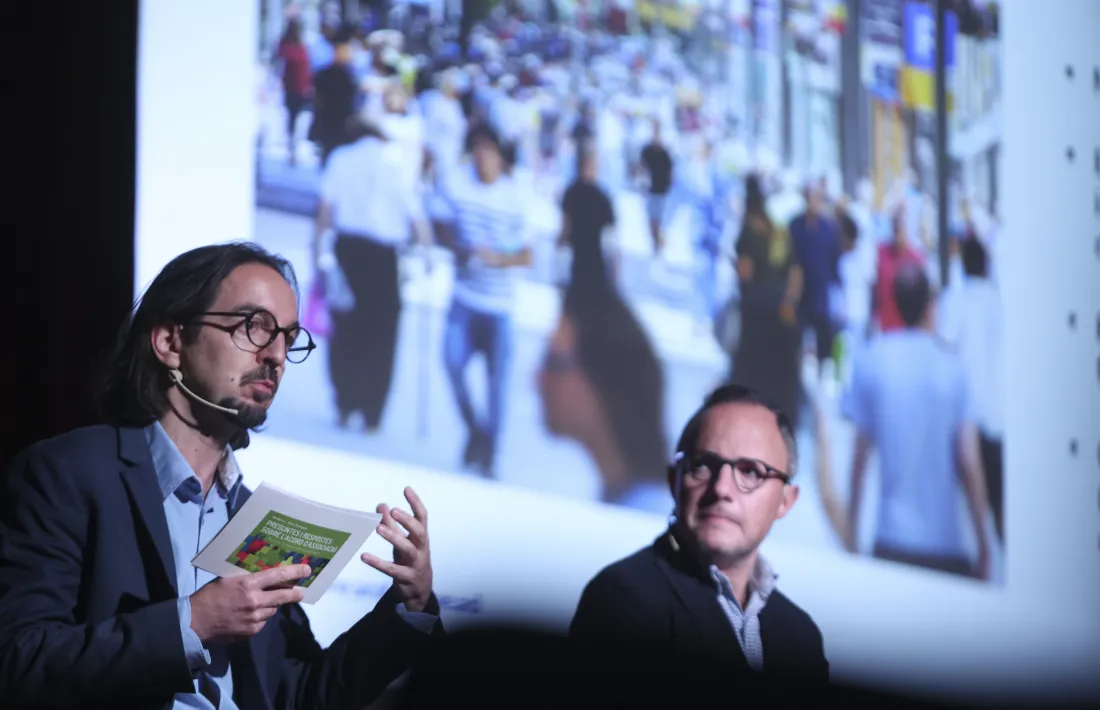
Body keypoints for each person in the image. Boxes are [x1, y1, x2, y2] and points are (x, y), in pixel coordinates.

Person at [0, 243, 443, 709]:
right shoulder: (70, 473)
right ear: (171, 343)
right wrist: (191, 623)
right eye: (254, 326)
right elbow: (17, 662)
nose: (275, 355)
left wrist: (408, 607)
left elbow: (296, 695)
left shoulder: (254, 516)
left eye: (288, 338)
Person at [569, 384, 828, 683]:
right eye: (703, 465)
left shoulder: (801, 637)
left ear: (786, 501)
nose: (721, 489)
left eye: (750, 472)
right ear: (673, 480)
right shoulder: (624, 600)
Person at [845, 262, 992, 580]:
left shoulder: (874, 358)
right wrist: (984, 545)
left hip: (890, 539)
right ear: (930, 304)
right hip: (946, 544)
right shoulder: (953, 368)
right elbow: (969, 464)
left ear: (895, 302)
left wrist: (851, 538)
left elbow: (859, 461)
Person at [538, 285, 668, 512]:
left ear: (603, 381)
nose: (539, 380)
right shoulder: (637, 502)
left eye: (554, 364)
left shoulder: (647, 519)